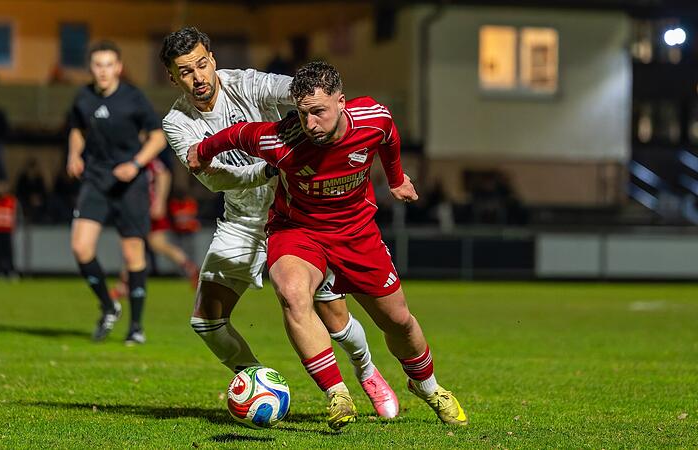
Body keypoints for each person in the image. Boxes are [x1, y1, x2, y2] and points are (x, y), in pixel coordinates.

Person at [188, 61, 468, 430]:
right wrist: (202, 151)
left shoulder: (373, 118)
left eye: (318, 112)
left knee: (398, 321)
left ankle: (428, 387)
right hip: (298, 232)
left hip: (357, 233)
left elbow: (390, 136)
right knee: (291, 292)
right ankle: (337, 392)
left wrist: (397, 179)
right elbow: (237, 135)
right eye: (303, 114)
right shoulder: (283, 139)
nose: (310, 124)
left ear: (341, 102)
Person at [160, 27, 399, 419]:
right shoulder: (176, 122)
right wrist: (270, 170)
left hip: (297, 216)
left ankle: (368, 371)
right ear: (173, 77)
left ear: (213, 59)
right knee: (206, 322)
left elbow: (300, 91)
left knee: (334, 317)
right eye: (186, 71)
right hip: (241, 220)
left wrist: (332, 114)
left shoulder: (248, 84)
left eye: (202, 64)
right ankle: (254, 381)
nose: (198, 77)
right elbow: (213, 177)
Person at [68, 40, 166, 344]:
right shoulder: (83, 98)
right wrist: (73, 155)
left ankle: (136, 327)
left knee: (132, 253)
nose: (104, 71)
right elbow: (77, 129)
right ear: (91, 68)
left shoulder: (133, 98)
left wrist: (136, 164)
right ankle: (109, 306)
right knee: (81, 248)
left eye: (109, 65)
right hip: (96, 179)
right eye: (98, 65)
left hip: (130, 183)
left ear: (119, 68)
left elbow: (158, 137)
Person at [110, 157, 200, 300]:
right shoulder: (135, 157)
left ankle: (124, 285)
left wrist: (160, 201)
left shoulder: (145, 159)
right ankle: (191, 269)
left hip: (147, 209)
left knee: (143, 244)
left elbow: (163, 174)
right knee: (150, 244)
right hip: (139, 209)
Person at [15, 158, 49, 224]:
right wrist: (29, 198)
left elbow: (44, 192)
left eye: (34, 169)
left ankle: (42, 219)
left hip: (38, 200)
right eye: (31, 169)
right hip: (25, 199)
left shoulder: (39, 179)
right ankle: (26, 219)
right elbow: (19, 191)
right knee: (20, 202)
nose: (32, 171)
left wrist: (38, 198)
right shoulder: (23, 178)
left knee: (47, 201)